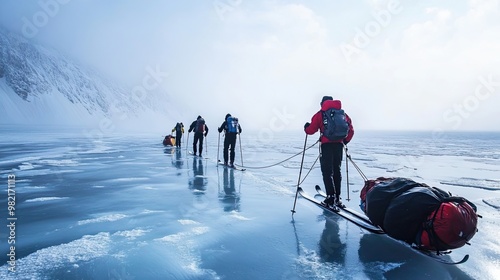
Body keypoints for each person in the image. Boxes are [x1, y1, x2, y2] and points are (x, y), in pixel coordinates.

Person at [304, 96, 354, 208]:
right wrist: (344, 141)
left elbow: (311, 130)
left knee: (327, 171)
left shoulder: (321, 114)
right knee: (337, 170)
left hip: (326, 146)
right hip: (338, 145)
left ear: (322, 103)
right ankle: (337, 197)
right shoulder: (342, 114)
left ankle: (330, 197)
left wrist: (306, 128)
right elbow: (351, 130)